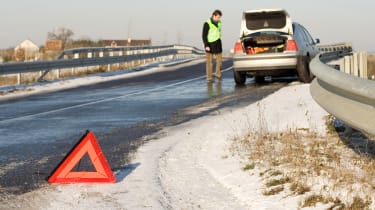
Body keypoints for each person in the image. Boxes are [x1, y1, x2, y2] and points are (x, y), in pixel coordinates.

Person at [202, 9, 223, 82]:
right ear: (213, 16)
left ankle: (217, 74)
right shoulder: (207, 23)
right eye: (217, 17)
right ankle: (209, 78)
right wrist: (206, 45)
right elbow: (204, 35)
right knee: (209, 62)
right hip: (209, 44)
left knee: (220, 61)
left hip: (217, 43)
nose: (218, 19)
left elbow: (218, 32)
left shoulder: (219, 22)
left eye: (219, 17)